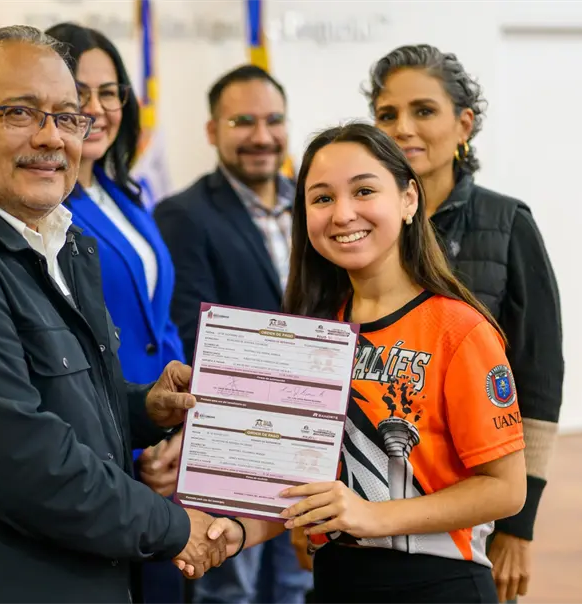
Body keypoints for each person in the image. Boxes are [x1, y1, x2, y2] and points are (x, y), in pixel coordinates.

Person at [0, 26, 235, 604]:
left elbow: (59, 402)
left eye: (68, 116)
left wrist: (144, 409)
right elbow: (21, 463)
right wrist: (176, 529)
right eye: (18, 113)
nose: (51, 137)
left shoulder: (61, 240)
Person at [206, 122, 529, 604]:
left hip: (439, 586)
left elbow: (505, 490)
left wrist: (371, 515)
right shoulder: (312, 333)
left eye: (363, 190)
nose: (342, 213)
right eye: (321, 198)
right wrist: (238, 529)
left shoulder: (459, 329)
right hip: (336, 582)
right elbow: (298, 485)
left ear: (408, 200)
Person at [365, 44, 564, 603]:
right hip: (368, 520)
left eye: (423, 110)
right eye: (387, 115)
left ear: (464, 123)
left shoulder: (507, 223)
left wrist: (518, 529)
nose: (404, 128)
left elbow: (540, 376)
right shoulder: (360, 227)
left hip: (474, 513)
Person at [154, 65, 313, 604]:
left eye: (274, 121)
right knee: (229, 585)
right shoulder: (182, 215)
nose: (262, 137)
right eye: (243, 121)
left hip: (312, 432)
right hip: (230, 436)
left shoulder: (316, 206)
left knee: (299, 581)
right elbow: (190, 329)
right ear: (212, 130)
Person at [45, 22, 187, 604]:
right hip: (114, 450)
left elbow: (161, 324)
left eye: (111, 93)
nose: (97, 108)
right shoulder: (50, 209)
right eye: (80, 93)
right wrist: (148, 435)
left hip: (167, 436)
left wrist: (187, 423)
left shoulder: (124, 192)